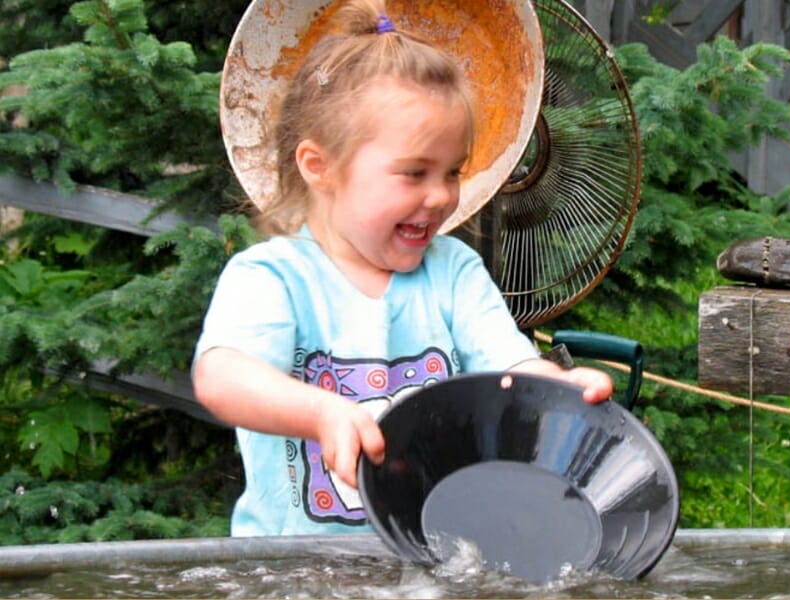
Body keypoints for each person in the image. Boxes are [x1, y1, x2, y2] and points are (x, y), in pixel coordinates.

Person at [192, 0, 613, 537]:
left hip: (430, 566)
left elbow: (509, 367)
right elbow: (223, 376)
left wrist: (559, 389)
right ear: (320, 167)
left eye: (453, 171)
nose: (441, 196)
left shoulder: (453, 272)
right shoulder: (274, 278)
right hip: (294, 575)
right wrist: (322, 413)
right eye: (414, 173)